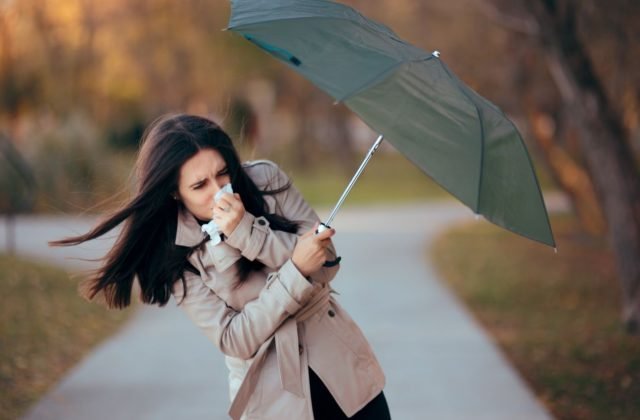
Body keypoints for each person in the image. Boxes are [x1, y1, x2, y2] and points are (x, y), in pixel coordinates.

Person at [50, 114, 391, 419]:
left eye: (223, 173)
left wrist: (249, 234)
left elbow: (327, 264)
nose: (219, 191)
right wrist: (295, 272)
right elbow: (235, 338)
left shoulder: (266, 181)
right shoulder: (174, 255)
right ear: (174, 193)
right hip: (273, 394)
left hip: (342, 371)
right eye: (200, 185)